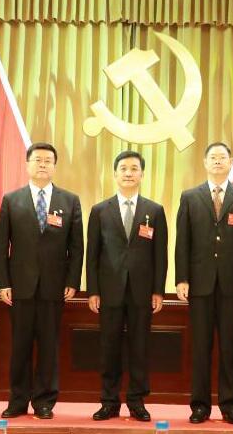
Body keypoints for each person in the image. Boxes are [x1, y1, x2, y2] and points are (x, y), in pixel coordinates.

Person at [0, 142, 84, 420]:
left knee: (48, 346)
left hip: (54, 287)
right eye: (37, 160)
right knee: (20, 345)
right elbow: (1, 246)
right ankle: (18, 400)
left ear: (54, 166)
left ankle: (45, 401)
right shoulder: (12, 200)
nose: (43, 164)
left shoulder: (69, 201)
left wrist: (72, 281)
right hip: (20, 286)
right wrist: (3, 282)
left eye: (48, 161)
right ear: (27, 165)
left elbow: (76, 246)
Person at [175, 142, 233, 425]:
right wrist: (182, 278)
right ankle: (200, 406)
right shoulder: (190, 197)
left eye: (222, 157)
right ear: (205, 162)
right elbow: (182, 242)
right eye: (213, 157)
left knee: (229, 347)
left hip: (231, 285)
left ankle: (229, 405)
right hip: (199, 284)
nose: (217, 161)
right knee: (200, 347)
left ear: (230, 161)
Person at [87, 151, 168, 422]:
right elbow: (92, 254)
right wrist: (93, 290)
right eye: (123, 168)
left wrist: (158, 290)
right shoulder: (100, 210)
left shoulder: (154, 211)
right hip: (109, 290)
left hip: (142, 291)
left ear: (142, 174)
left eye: (134, 168)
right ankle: (109, 401)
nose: (129, 173)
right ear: (115, 174)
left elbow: (160, 254)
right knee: (109, 347)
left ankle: (137, 401)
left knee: (139, 347)